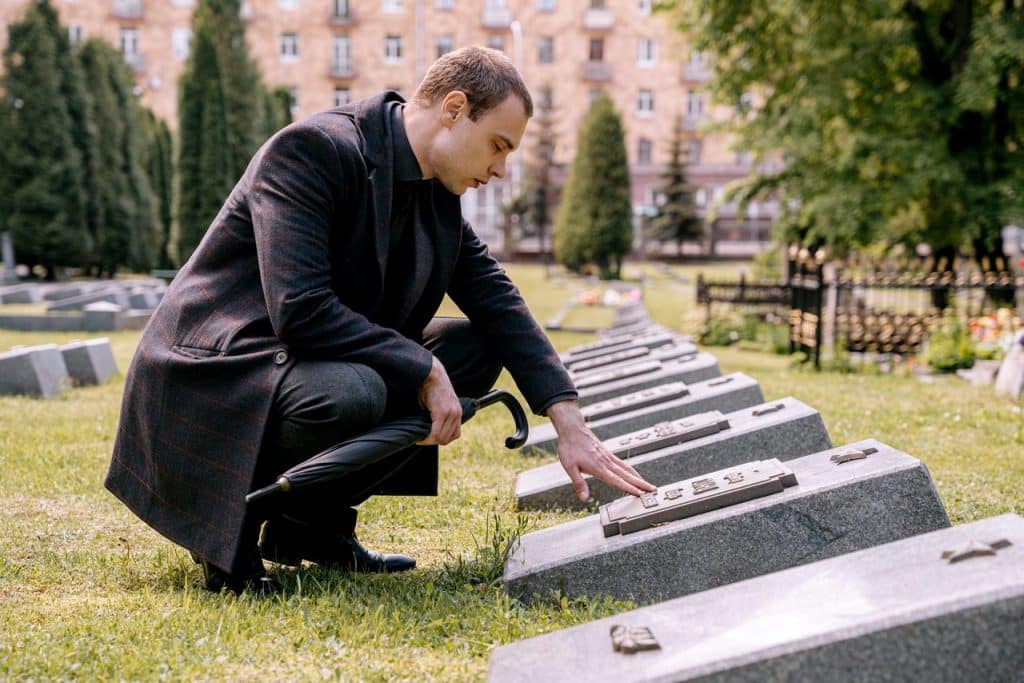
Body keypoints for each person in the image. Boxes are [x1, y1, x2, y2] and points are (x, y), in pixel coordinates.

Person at [105, 46, 655, 595]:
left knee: (477, 346)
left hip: (295, 360)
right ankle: (228, 540)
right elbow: (299, 309)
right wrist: (423, 369)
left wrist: (570, 425)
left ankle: (309, 531)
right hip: (220, 367)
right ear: (454, 109)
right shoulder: (312, 150)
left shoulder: (436, 191)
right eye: (498, 145)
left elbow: (498, 302)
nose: (500, 169)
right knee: (357, 389)